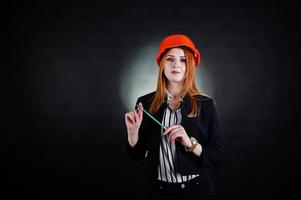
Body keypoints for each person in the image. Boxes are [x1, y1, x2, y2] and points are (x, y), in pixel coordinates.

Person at [124, 34, 223, 200]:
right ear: (162, 64)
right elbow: (136, 156)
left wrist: (190, 143)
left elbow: (217, 157)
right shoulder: (144, 103)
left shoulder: (206, 105)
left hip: (198, 191)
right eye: (170, 59)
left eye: (183, 60)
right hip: (159, 191)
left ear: (190, 66)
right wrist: (132, 133)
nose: (176, 64)